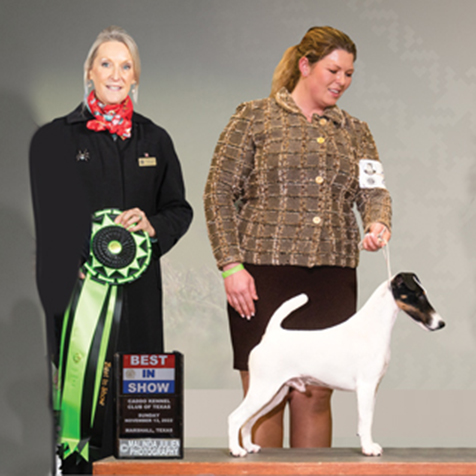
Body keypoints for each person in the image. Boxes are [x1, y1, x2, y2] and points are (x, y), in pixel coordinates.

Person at [203, 26, 391, 449]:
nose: (341, 81)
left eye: (349, 74)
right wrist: (231, 265)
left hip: (332, 275)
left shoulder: (356, 131)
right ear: (305, 66)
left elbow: (374, 192)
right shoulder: (253, 118)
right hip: (261, 274)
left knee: (316, 395)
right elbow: (218, 192)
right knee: (267, 395)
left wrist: (377, 222)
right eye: (333, 70)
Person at [30, 26, 193, 474]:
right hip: (79, 295)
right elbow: (42, 215)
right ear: (89, 71)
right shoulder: (56, 137)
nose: (115, 74)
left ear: (135, 76)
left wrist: (154, 226)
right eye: (106, 63)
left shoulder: (156, 139)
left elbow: (179, 209)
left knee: (143, 425)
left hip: (139, 299)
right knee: (83, 409)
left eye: (125, 66)